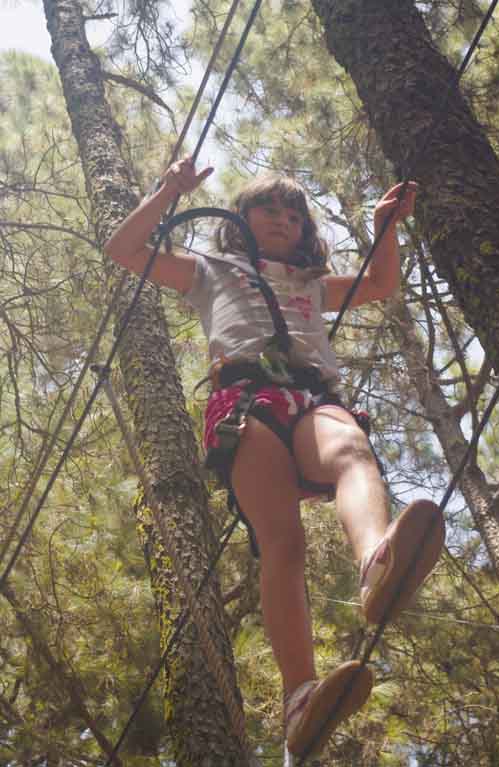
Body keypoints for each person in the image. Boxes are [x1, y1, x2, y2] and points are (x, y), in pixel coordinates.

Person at [105, 157, 445, 758]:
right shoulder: (209, 269)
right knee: (282, 541)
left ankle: (377, 560)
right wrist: (169, 191)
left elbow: (377, 285)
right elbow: (126, 249)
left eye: (293, 212)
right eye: (269, 208)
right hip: (244, 395)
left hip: (312, 393)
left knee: (350, 450)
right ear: (240, 220)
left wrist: (384, 227)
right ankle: (299, 698)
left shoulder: (312, 280)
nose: (283, 218)